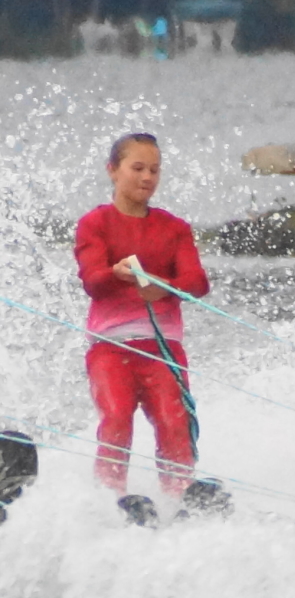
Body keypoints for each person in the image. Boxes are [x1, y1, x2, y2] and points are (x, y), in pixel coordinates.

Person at [74, 132, 209, 498]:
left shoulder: (175, 228)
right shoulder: (95, 223)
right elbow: (92, 281)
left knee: (173, 421)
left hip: (162, 347)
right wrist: (115, 273)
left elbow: (197, 283)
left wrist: (164, 286)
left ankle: (179, 493)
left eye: (154, 170)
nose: (147, 177)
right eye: (137, 168)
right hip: (110, 347)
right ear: (113, 171)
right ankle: (110, 495)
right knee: (117, 418)